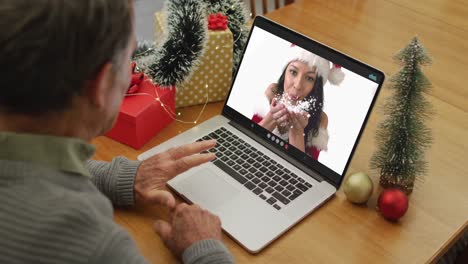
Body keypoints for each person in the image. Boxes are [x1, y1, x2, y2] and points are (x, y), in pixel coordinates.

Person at [0, 1, 233, 263]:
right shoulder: (96, 246)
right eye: (130, 58)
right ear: (101, 85)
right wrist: (205, 248)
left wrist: (122, 177)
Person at [252, 46, 344, 160]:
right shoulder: (272, 92)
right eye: (293, 72)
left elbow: (307, 171)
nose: (298, 85)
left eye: (309, 78)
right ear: (285, 72)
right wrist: (271, 118)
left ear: (316, 86)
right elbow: (247, 140)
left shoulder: (321, 119)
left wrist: (297, 133)